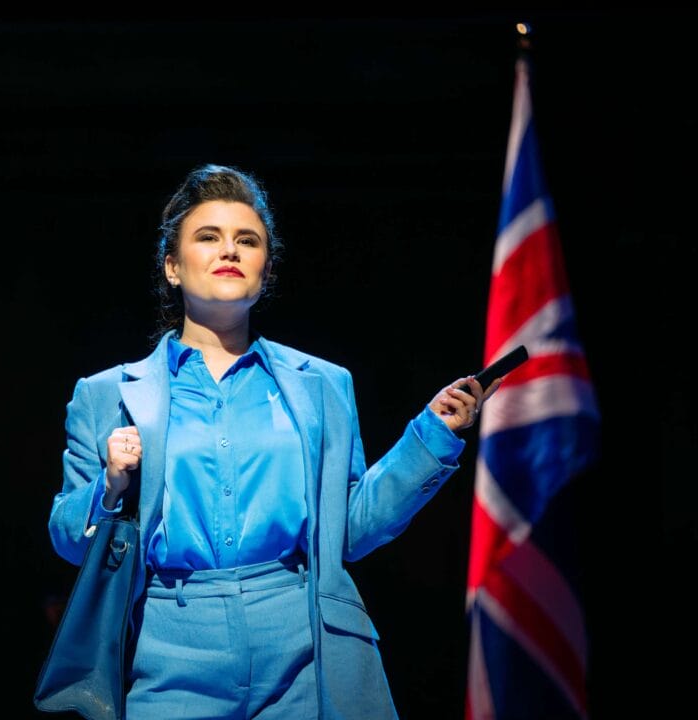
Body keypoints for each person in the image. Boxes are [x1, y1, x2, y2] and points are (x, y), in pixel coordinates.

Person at [48, 164, 501, 719]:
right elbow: (70, 539)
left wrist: (431, 435)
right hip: (171, 646)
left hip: (300, 641)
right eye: (208, 237)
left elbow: (350, 529)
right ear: (172, 265)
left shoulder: (323, 386)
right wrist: (112, 487)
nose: (230, 251)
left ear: (265, 268)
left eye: (247, 240)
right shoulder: (106, 394)